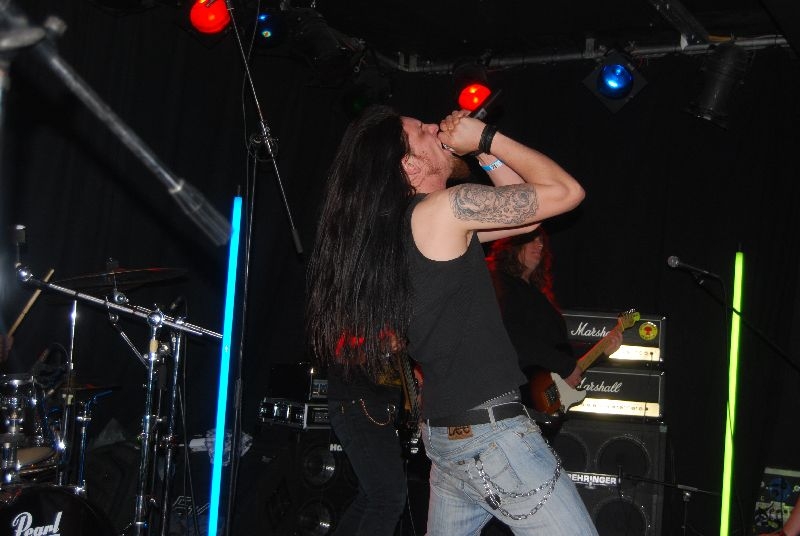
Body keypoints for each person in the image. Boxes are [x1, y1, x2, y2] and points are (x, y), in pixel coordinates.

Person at [307, 105, 594, 535]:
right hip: (490, 436)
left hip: (447, 438)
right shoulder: (445, 210)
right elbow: (566, 191)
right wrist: (485, 137)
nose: (434, 126)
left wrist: (483, 156)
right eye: (422, 131)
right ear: (410, 164)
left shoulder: (403, 227)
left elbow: (526, 217)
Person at [486, 229, 622, 416]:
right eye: (532, 240)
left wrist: (602, 350)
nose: (539, 245)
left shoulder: (536, 294)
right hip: (512, 395)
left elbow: (559, 348)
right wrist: (566, 367)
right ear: (513, 244)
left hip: (537, 400)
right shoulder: (500, 283)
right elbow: (512, 336)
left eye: (541, 241)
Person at [320, 330, 408, 536]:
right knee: (388, 498)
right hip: (359, 402)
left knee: (372, 497)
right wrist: (381, 347)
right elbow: (339, 350)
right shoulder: (358, 309)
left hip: (377, 405)